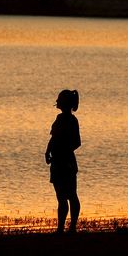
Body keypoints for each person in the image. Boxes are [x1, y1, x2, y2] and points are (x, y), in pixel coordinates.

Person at [45, 89, 81, 233]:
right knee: (61, 197)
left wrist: (63, 152)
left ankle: (72, 227)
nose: (57, 103)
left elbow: (77, 142)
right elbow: (53, 138)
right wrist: (48, 151)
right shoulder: (59, 119)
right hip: (57, 162)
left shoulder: (72, 121)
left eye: (59, 100)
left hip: (67, 162)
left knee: (71, 195)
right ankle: (60, 228)